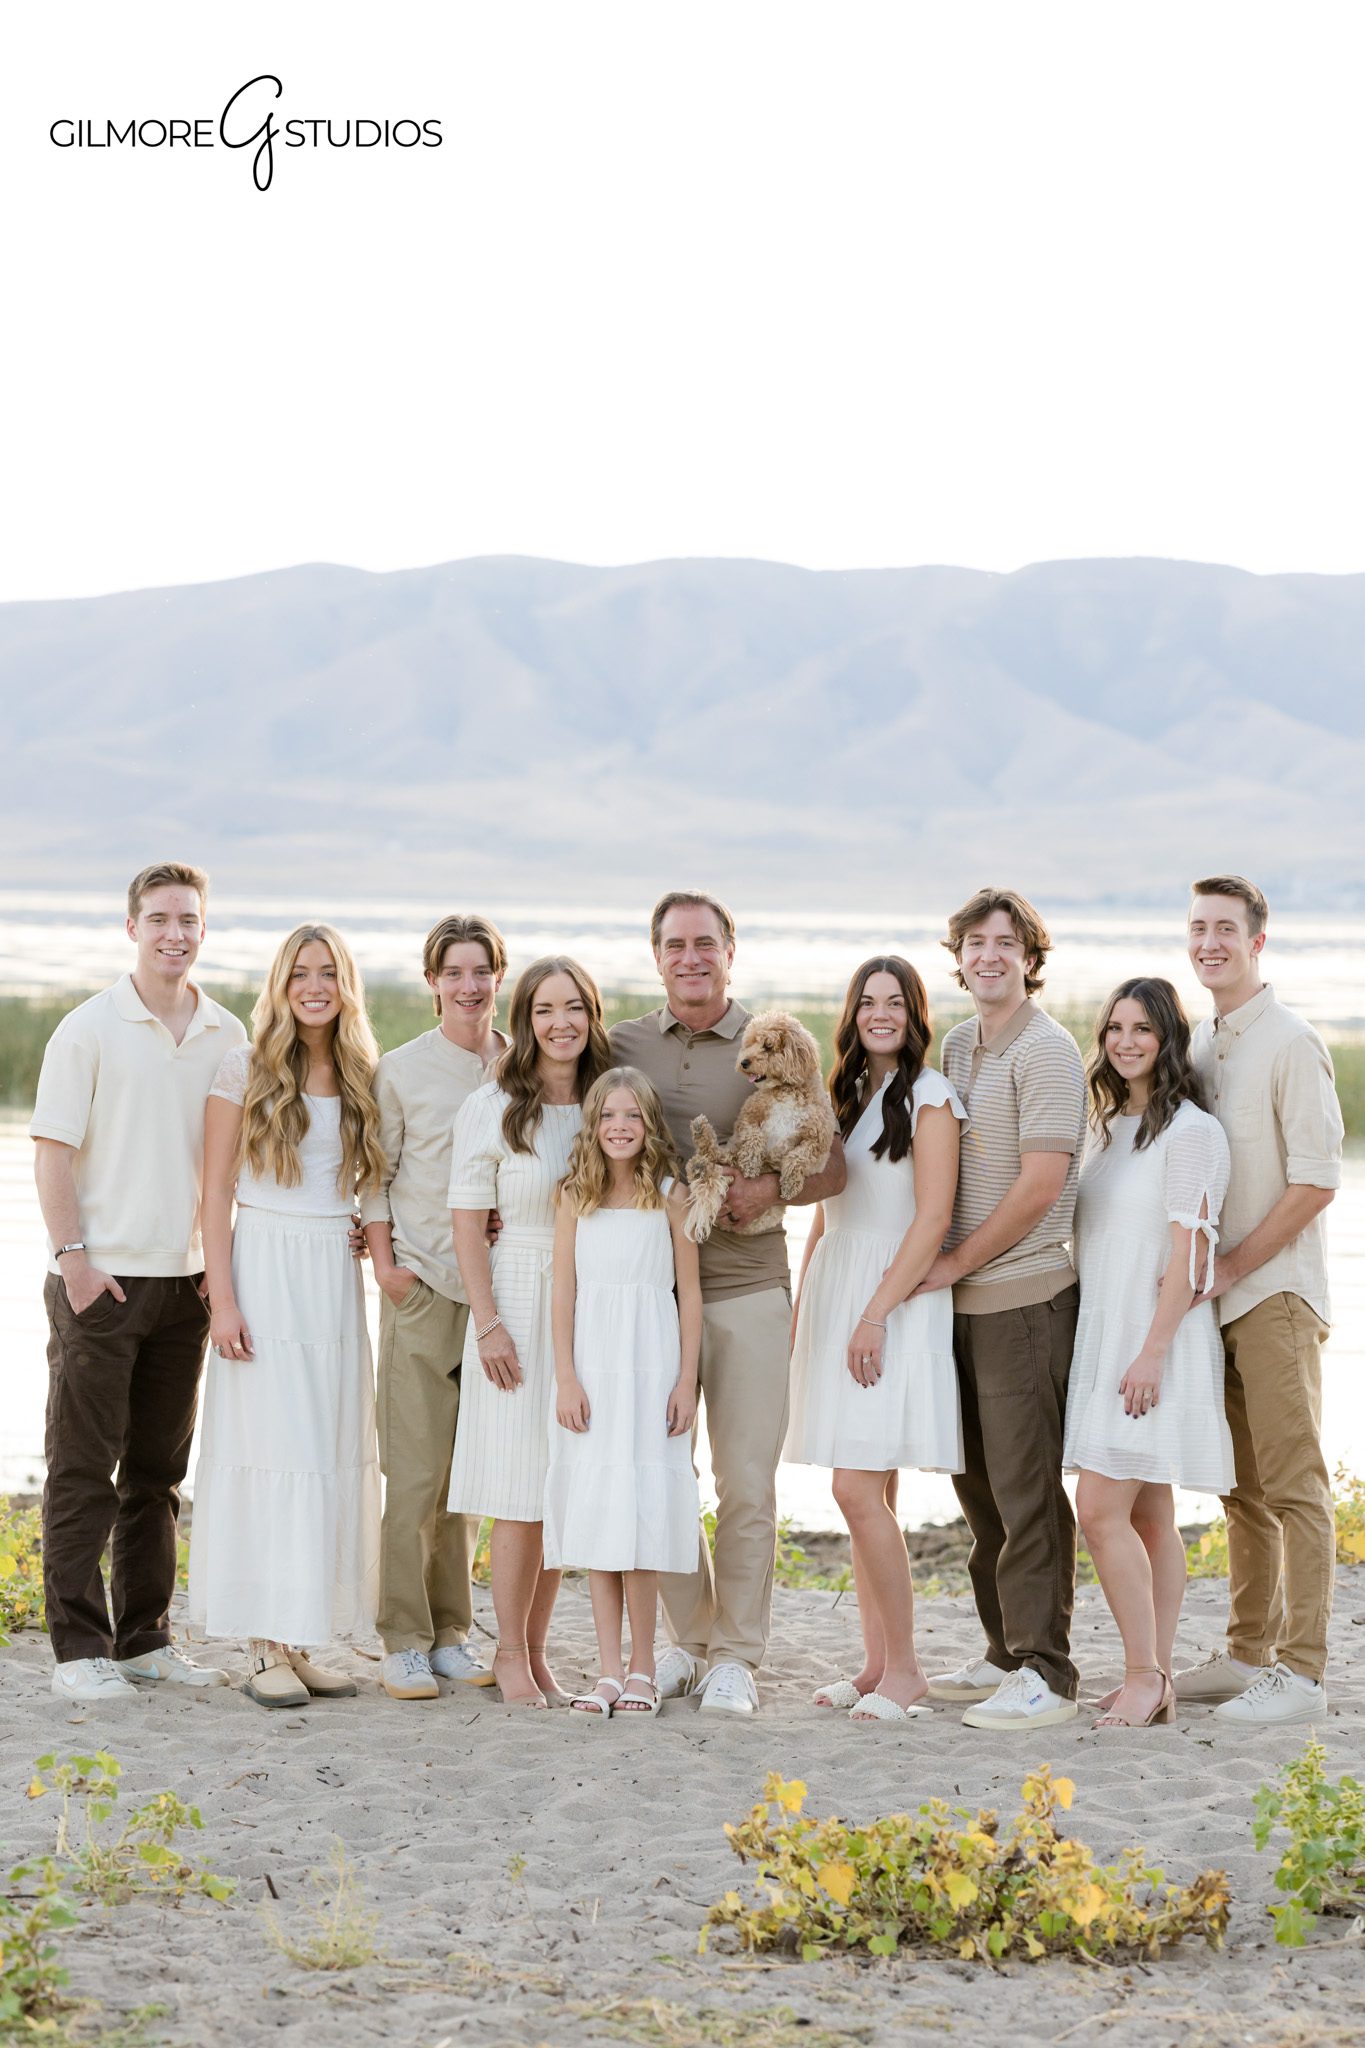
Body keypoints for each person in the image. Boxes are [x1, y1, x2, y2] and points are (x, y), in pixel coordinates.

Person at [610, 890, 846, 1716]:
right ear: (657, 955)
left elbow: (833, 1168)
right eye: (675, 945)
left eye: (705, 943)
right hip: (646, 1300)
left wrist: (766, 1186)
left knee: (745, 1482)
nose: (691, 958)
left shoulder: (771, 1043)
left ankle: (738, 1655)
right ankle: (691, 1640)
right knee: (660, 1475)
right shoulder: (624, 1042)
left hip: (748, 1290)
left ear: (729, 952)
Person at [31, 862, 245, 1703]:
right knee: (83, 1467)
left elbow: (240, 1165)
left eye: (188, 920)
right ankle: (78, 1651)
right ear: (132, 929)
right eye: (159, 919)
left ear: (203, 929)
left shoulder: (227, 1033)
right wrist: (73, 1261)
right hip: (104, 1284)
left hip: (186, 1284)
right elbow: (51, 1153)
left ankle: (143, 1640)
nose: (175, 934)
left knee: (156, 1473)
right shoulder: (87, 1028)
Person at [188, 923, 384, 1708]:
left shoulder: (362, 1069)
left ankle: (299, 1641)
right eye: (300, 972)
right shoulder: (243, 1066)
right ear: (280, 982)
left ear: (345, 985)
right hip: (263, 1268)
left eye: (327, 973)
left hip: (331, 1280)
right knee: (272, 1449)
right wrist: (222, 1298)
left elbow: (368, 1186)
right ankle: (262, 1644)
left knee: (325, 1449)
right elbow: (212, 1195)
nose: (313, 986)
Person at [1175, 876, 1343, 1724]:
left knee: (1293, 1485)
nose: (1208, 942)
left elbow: (1316, 1181)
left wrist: (1235, 1264)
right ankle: (1246, 1656)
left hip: (1273, 1296)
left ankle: (1303, 1673)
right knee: (1239, 1490)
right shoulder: (1202, 1045)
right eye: (1197, 927)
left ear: (1256, 943)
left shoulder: (1289, 1042)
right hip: (1218, 1305)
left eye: (1224, 930)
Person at [920, 887, 1088, 1730]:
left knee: (1026, 1491)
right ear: (958, 959)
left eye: (1005, 943)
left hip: (1023, 1298)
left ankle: (1045, 1670)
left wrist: (953, 1259)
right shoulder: (957, 1046)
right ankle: (1000, 1651)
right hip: (961, 1301)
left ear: (1030, 957)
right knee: (978, 1488)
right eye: (975, 942)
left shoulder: (1047, 1051)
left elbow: (1040, 1187)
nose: (989, 955)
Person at [786, 957, 966, 1724]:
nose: (880, 1013)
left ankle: (906, 1673)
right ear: (852, 1013)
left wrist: (873, 1313)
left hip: (891, 1298)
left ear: (915, 1012)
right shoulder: (845, 1093)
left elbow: (931, 1218)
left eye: (895, 1002)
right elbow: (825, 1214)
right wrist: (805, 1307)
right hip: (838, 1289)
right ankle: (872, 1664)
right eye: (868, 1001)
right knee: (871, 1492)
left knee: (854, 1490)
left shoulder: (929, 1096)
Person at [1064, 979, 1233, 1729]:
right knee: (1150, 1516)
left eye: (1142, 1029)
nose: (1124, 1042)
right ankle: (1157, 1677)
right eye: (1113, 1028)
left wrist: (1152, 1352)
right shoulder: (1104, 1127)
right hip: (1106, 1335)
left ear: (1168, 1038)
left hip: (1151, 1341)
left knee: (1098, 1508)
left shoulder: (1191, 1132)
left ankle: (1141, 1673)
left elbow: (1189, 1259)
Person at [446, 955, 612, 1708]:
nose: (561, 1023)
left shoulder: (608, 1099)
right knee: (516, 1488)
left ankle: (539, 1650)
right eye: (545, 1009)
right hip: (515, 1290)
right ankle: (507, 1650)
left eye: (574, 1007)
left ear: (592, 1015)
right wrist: (488, 1325)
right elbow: (465, 1224)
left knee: (559, 1482)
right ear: (525, 1019)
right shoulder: (493, 1104)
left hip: (588, 1301)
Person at [361, 914, 508, 1702]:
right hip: (422, 1289)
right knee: (413, 1476)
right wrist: (387, 1268)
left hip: (501, 1297)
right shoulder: (402, 1070)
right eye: (453, 972)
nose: (469, 985)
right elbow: (374, 1177)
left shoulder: (520, 1064)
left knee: (467, 1482)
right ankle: (402, 1639)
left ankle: (452, 1631)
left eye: (481, 970)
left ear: (498, 976)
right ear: (432, 983)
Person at [545, 1067, 703, 1717]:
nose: (618, 1127)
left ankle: (644, 1668)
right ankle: (608, 1670)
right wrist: (565, 1377)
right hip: (592, 1368)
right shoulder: (571, 1197)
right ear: (593, 1122)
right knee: (600, 1514)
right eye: (608, 1115)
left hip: (651, 1365)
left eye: (631, 1116)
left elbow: (688, 1293)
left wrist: (686, 1380)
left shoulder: (670, 1194)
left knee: (639, 1516)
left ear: (648, 1125)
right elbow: (563, 1293)